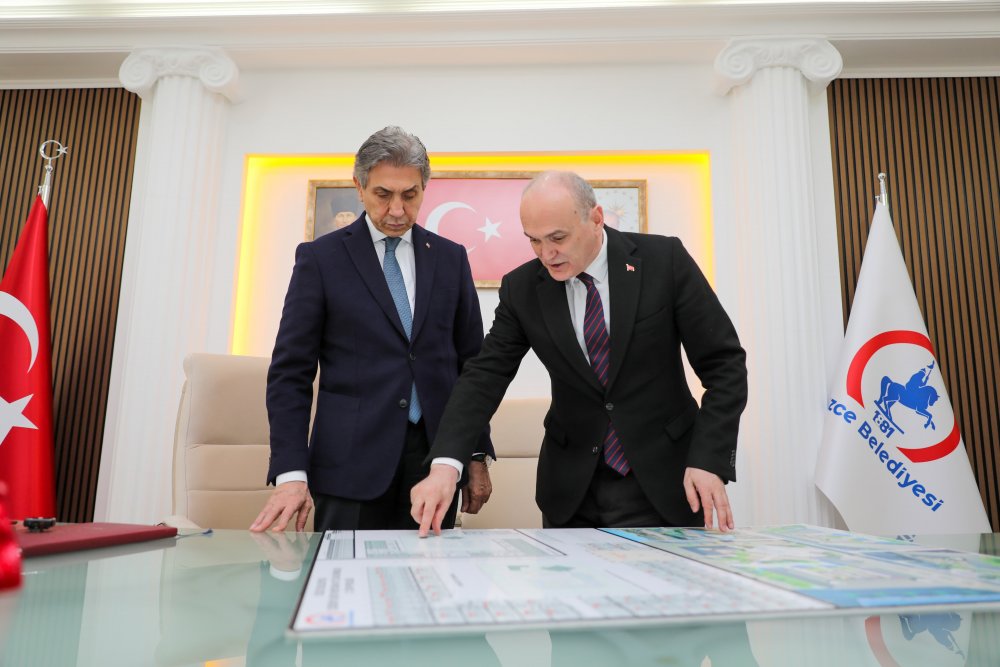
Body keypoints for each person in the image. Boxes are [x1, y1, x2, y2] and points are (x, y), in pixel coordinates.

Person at [410, 171, 746, 535]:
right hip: (572, 492)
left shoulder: (664, 261)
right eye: (534, 240)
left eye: (558, 238)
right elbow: (483, 378)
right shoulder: (522, 288)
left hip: (667, 480)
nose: (546, 254)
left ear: (596, 218)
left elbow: (724, 365)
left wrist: (709, 459)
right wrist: (446, 464)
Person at [251, 126, 493, 533]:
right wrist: (291, 473)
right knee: (344, 574)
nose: (397, 209)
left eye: (410, 195)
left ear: (424, 188)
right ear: (359, 187)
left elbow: (474, 367)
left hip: (435, 466)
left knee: (429, 573)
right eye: (383, 194)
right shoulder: (321, 259)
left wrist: (475, 453)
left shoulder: (450, 259)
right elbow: (291, 373)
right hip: (348, 468)